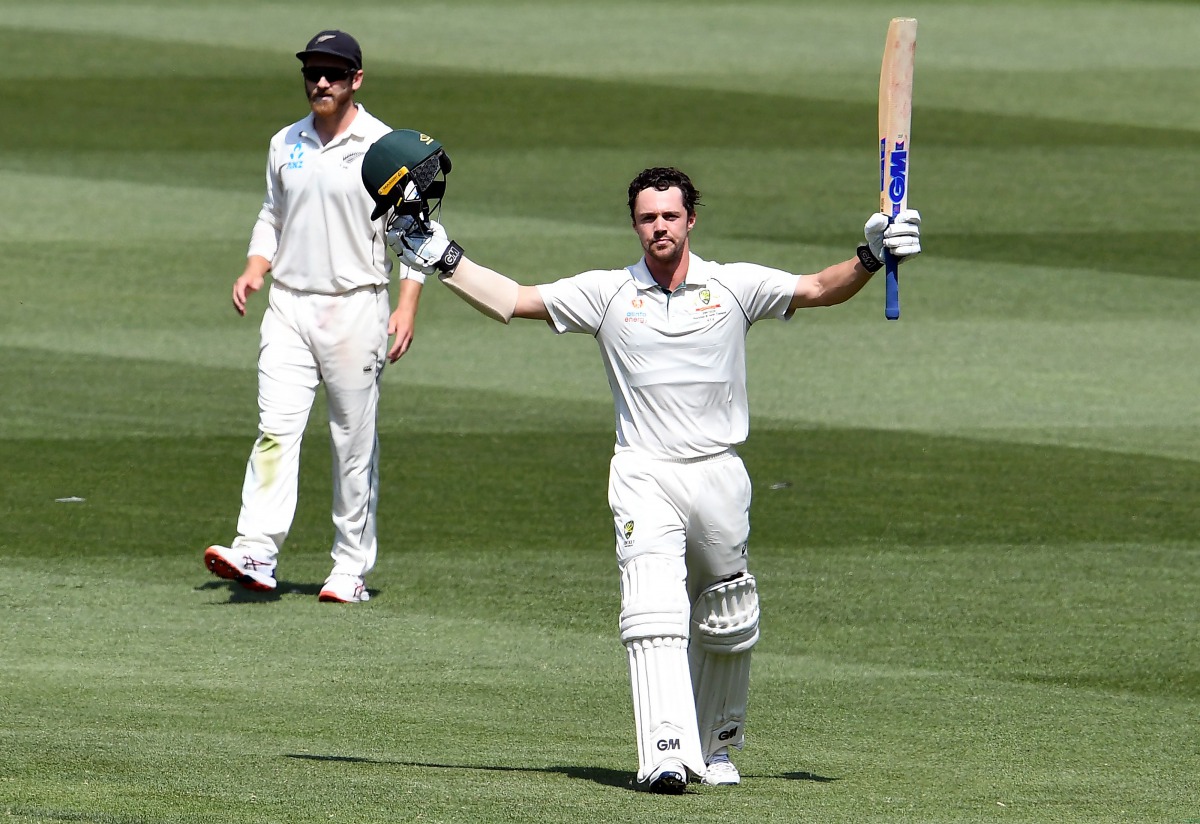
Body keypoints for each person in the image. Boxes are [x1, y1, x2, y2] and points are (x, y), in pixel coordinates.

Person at [375, 164, 920, 790]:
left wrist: (872, 255)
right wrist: (445, 258)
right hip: (643, 472)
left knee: (729, 613)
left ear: (690, 219)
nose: (658, 227)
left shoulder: (733, 285)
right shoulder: (610, 292)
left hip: (718, 471)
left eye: (669, 216)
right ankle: (664, 752)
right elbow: (517, 300)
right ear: (634, 224)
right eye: (646, 218)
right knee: (653, 607)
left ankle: (715, 747)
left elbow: (821, 288)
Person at [204, 30, 426, 604]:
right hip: (288, 306)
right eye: (312, 73)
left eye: (333, 73)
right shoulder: (286, 142)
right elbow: (271, 214)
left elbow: (416, 235)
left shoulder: (385, 148)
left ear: (356, 79)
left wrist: (406, 305)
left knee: (352, 443)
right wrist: (256, 266)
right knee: (276, 430)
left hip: (357, 306)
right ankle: (257, 549)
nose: (320, 82)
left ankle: (349, 569)